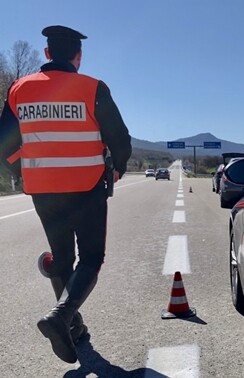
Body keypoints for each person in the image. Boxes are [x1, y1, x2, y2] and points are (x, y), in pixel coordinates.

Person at [0, 25, 132, 364]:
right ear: (78, 56)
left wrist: (24, 173)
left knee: (61, 259)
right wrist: (118, 165)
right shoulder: (92, 88)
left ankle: (73, 328)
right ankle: (61, 316)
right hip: (87, 189)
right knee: (90, 259)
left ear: (46, 54)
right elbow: (119, 136)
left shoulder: (18, 90)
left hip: (43, 192)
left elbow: (5, 146)